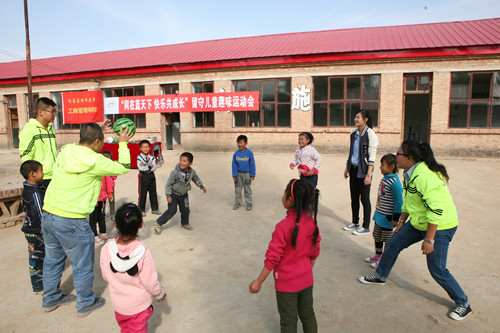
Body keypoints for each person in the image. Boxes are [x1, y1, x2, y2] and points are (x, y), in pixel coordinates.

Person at [359, 141, 472, 321]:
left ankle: (463, 303)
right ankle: (380, 276)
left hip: (440, 226)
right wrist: (402, 221)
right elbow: (410, 200)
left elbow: (435, 211)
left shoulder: (426, 177)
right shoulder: (409, 173)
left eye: (399, 154)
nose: (395, 156)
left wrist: (430, 240)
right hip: (418, 222)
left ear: (409, 158)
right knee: (393, 243)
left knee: (437, 268)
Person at [41, 123, 133, 317]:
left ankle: (50, 298)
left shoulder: (66, 150)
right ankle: (85, 303)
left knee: (52, 260)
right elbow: (124, 167)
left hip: (48, 215)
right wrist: (123, 144)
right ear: (98, 141)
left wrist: (95, 129)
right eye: (100, 141)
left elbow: (83, 141)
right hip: (71, 219)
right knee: (82, 264)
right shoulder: (95, 161)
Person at [249, 179, 321, 333]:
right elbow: (315, 252)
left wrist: (259, 281)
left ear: (290, 199)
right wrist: (306, 271)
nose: (282, 196)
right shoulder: (312, 224)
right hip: (307, 280)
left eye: (284, 193)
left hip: (287, 285)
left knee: (288, 321)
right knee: (308, 315)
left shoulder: (283, 227)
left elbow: (273, 257)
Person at [100, 203, 166, 332]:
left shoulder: (107, 248)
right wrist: (159, 293)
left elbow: (106, 275)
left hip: (119, 306)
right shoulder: (143, 252)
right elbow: (149, 281)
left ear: (116, 225)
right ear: (141, 224)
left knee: (125, 328)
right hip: (139, 307)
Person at [364, 154, 403, 269]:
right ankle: (378, 255)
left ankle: (384, 260)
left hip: (388, 217)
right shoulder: (385, 178)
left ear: (391, 167)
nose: (380, 167)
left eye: (382, 165)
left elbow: (399, 202)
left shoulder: (395, 183)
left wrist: (396, 218)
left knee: (387, 239)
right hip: (379, 215)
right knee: (377, 235)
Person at [343, 109, 378, 235]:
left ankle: (366, 226)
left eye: (358, 117)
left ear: (366, 119)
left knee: (364, 198)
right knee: (354, 197)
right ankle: (355, 222)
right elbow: (351, 152)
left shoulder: (370, 134)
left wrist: (369, 174)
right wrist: (347, 167)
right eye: (355, 117)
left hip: (364, 171)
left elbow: (372, 156)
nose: (355, 119)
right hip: (353, 169)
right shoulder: (353, 134)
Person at [154, 152, 206, 233]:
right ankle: (158, 222)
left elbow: (196, 179)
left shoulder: (192, 172)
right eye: (180, 160)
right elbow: (168, 184)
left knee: (185, 210)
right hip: (173, 195)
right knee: (172, 210)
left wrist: (201, 186)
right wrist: (168, 195)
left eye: (184, 161)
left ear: (190, 163)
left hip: (184, 195)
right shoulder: (175, 172)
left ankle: (185, 223)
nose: (181, 162)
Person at [18, 97, 58, 189]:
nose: (54, 114)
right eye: (52, 111)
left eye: (55, 112)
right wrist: (33, 179)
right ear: (40, 112)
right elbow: (26, 157)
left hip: (54, 176)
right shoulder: (29, 130)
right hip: (40, 179)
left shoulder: (51, 130)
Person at [20, 160, 46, 294]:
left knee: (34, 257)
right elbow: (40, 213)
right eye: (41, 171)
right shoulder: (34, 192)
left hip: (30, 230)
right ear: (32, 174)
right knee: (39, 257)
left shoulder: (28, 189)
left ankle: (37, 284)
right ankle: (39, 285)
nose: (43, 174)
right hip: (37, 231)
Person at [89, 166, 114, 245]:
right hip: (94, 200)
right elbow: (89, 187)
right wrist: (92, 199)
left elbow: (107, 183)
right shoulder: (90, 173)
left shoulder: (103, 172)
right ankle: (94, 235)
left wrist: (110, 194)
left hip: (103, 199)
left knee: (102, 217)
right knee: (93, 219)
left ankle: (103, 233)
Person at [137, 140, 161, 217]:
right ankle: (141, 210)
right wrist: (148, 166)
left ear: (150, 148)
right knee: (142, 193)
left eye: (147, 147)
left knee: (153, 192)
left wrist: (146, 166)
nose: (145, 149)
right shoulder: (139, 157)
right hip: (143, 176)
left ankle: (155, 209)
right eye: (143, 147)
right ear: (140, 148)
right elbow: (140, 168)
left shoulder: (152, 157)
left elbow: (154, 168)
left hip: (151, 175)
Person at [232, 135, 256, 211]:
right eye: (238, 143)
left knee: (247, 189)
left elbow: (252, 164)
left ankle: (249, 203)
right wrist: (234, 175)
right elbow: (234, 165)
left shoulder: (249, 153)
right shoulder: (236, 154)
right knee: (238, 190)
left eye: (241, 143)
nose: (240, 145)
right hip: (238, 175)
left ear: (246, 143)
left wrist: (252, 174)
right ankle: (237, 203)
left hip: (247, 175)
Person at [103, 150, 117, 221]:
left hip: (111, 187)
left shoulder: (112, 166)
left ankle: (112, 214)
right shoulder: (100, 167)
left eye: (108, 157)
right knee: (103, 202)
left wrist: (112, 176)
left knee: (112, 201)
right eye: (104, 156)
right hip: (102, 188)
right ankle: (103, 214)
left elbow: (115, 175)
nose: (106, 158)